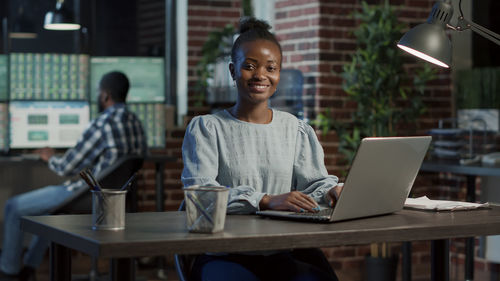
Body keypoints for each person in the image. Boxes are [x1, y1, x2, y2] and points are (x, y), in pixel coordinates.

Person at [181, 18, 343, 281]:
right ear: (233, 71)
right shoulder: (207, 128)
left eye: (271, 68)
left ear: (279, 74)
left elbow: (316, 185)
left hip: (281, 251)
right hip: (224, 253)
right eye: (249, 66)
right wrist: (266, 200)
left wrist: (333, 190)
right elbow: (202, 196)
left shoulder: (296, 128)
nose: (260, 75)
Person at [0, 71, 148, 280]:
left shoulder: (104, 122)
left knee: (13, 206)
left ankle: (9, 272)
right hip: (117, 198)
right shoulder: (136, 123)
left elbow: (66, 166)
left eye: (99, 93)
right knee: (49, 214)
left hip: (89, 196)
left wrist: (49, 157)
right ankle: (29, 268)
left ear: (105, 95)